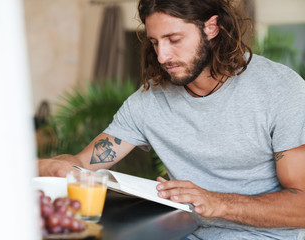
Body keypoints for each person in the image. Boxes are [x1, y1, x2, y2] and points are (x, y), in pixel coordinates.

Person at [39, 0, 305, 239]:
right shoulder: (147, 103)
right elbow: (83, 164)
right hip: (181, 232)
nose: (162, 56)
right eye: (155, 42)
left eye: (174, 39)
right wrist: (56, 168)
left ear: (212, 27)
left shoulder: (280, 90)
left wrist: (217, 202)